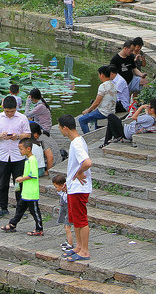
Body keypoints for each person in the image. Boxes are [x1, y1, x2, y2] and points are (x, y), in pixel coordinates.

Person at [0, 96, 31, 218]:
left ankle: (20, 209)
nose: (9, 113)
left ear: (16, 108)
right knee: (2, 183)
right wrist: (1, 135)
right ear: (3, 108)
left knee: (19, 184)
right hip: (3, 155)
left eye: (12, 111)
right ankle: (3, 208)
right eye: (7, 111)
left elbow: (27, 134)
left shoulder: (22, 118)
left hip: (18, 156)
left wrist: (17, 136)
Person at [58, 114, 93, 262]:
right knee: (75, 219)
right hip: (74, 187)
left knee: (81, 219)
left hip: (80, 188)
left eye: (60, 128)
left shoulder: (77, 143)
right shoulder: (76, 142)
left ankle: (84, 250)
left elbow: (87, 162)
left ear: (65, 128)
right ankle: (78, 246)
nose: (60, 131)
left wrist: (79, 173)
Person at [1, 138, 43, 235]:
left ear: (28, 149)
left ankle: (39, 229)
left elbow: (33, 175)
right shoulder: (28, 160)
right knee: (20, 208)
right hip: (26, 192)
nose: (20, 151)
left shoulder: (32, 160)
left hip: (31, 192)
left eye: (21, 149)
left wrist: (21, 179)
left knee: (34, 211)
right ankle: (12, 224)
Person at [78, 66, 118, 134]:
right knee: (95, 115)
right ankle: (98, 133)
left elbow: (97, 102)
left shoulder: (103, 86)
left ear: (102, 74)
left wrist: (88, 110)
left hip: (103, 113)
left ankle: (88, 137)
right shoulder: (113, 85)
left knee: (82, 120)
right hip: (111, 111)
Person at [51, 173, 75, 252]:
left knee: (68, 228)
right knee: (65, 227)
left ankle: (70, 244)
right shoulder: (61, 192)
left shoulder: (68, 193)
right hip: (65, 210)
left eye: (56, 187)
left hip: (69, 211)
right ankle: (68, 240)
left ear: (62, 186)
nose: (55, 188)